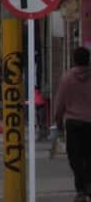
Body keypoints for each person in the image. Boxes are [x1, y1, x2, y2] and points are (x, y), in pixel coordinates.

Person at [53, 46, 91, 202]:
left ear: (74, 60)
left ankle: (81, 189)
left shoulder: (67, 78)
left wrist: (59, 124)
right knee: (89, 156)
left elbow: (59, 105)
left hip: (73, 124)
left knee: (75, 158)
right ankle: (88, 184)